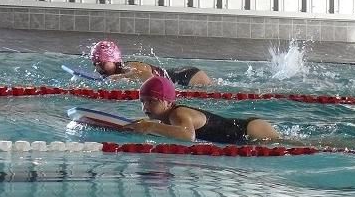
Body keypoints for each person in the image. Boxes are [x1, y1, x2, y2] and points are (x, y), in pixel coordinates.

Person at [125, 75, 280, 143]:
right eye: (142, 101)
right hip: (244, 135)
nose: (145, 106)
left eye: (151, 101)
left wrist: (150, 126)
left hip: (251, 131)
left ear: (168, 102)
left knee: (296, 145)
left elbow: (187, 136)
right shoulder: (169, 118)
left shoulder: (178, 113)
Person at [90, 40, 213, 86]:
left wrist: (118, 77)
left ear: (114, 60)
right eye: (95, 64)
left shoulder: (129, 66)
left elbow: (149, 77)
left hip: (187, 76)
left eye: (102, 63)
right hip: (182, 74)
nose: (98, 68)